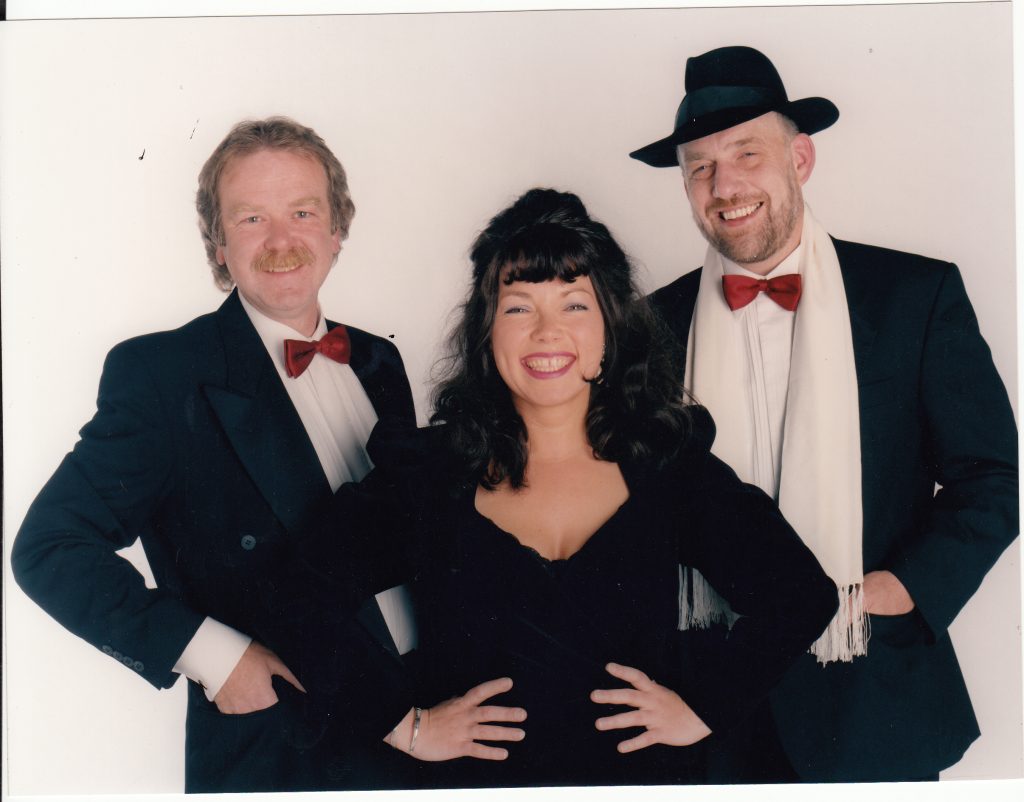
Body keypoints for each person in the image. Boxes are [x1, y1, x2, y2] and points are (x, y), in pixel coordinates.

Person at [276, 188, 839, 788]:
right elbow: (294, 594)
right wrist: (403, 724)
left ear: (610, 326)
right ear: (487, 329)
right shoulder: (429, 474)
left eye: (574, 305)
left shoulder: (668, 466)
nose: (547, 332)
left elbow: (801, 594)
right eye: (519, 308)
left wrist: (704, 708)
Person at [629, 46, 1019, 782]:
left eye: (747, 154)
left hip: (875, 699)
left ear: (800, 159)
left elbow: (991, 479)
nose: (725, 186)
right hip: (707, 712)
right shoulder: (646, 328)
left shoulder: (915, 297)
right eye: (700, 167)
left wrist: (903, 587)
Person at [10, 117, 418, 793]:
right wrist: (214, 656)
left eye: (303, 212)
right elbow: (50, 547)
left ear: (337, 230)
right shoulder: (164, 375)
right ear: (219, 244)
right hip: (285, 748)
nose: (282, 240)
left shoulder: (379, 360)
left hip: (420, 728)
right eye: (252, 218)